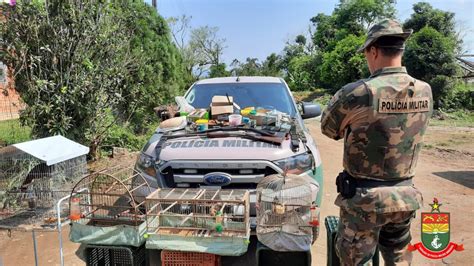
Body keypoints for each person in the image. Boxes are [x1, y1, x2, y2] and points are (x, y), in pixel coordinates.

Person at [320, 19, 433, 265]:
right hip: (404, 198)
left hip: (364, 202)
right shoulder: (425, 90)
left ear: (373, 50)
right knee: (400, 258)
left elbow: (328, 129)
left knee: (354, 260)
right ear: (400, 49)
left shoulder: (358, 92)